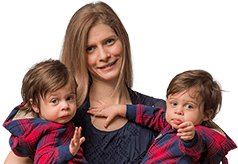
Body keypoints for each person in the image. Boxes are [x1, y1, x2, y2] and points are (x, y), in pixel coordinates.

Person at [4, 2, 166, 163]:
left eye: (109, 41)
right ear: (78, 55)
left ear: (122, 40)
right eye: (90, 48)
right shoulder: (60, 112)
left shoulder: (159, 111)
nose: (103, 55)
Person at [88, 70, 237, 163]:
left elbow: (195, 148)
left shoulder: (197, 135)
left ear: (206, 114)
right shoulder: (170, 123)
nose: (178, 111)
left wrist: (191, 137)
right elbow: (151, 115)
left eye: (189, 106)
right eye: (173, 103)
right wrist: (120, 109)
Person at [3, 60, 88, 164]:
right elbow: (43, 160)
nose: (65, 106)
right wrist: (68, 151)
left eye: (69, 98)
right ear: (35, 106)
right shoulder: (49, 132)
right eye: (55, 101)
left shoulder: (60, 123)